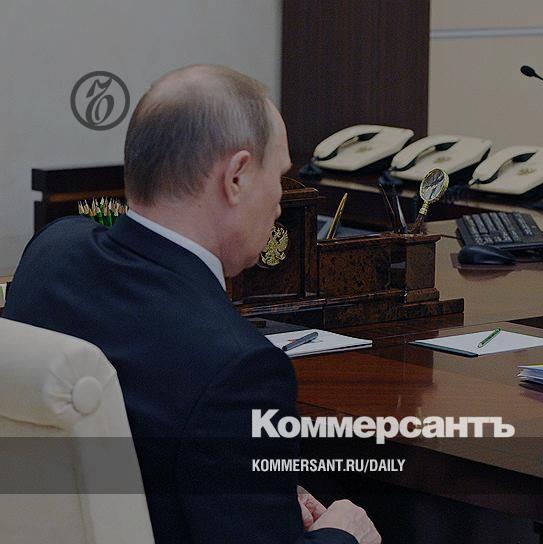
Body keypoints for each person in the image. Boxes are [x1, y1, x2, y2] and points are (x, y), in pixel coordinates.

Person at [4, 65, 381, 543]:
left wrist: (253, 486)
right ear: (237, 177)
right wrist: (345, 534)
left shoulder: (52, 253)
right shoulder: (240, 370)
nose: (280, 201)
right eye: (279, 176)